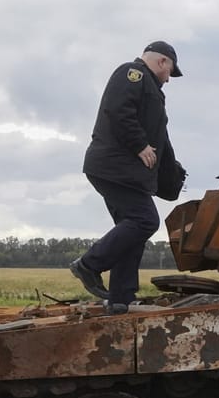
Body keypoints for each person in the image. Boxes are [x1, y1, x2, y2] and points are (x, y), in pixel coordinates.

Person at [69, 41, 183, 313]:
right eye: (170, 71)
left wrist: (173, 173)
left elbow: (162, 141)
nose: (169, 78)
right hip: (114, 168)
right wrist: (139, 145)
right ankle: (88, 264)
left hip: (126, 173)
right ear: (162, 62)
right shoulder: (132, 74)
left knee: (131, 230)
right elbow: (118, 110)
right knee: (145, 220)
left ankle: (121, 298)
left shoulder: (152, 90)